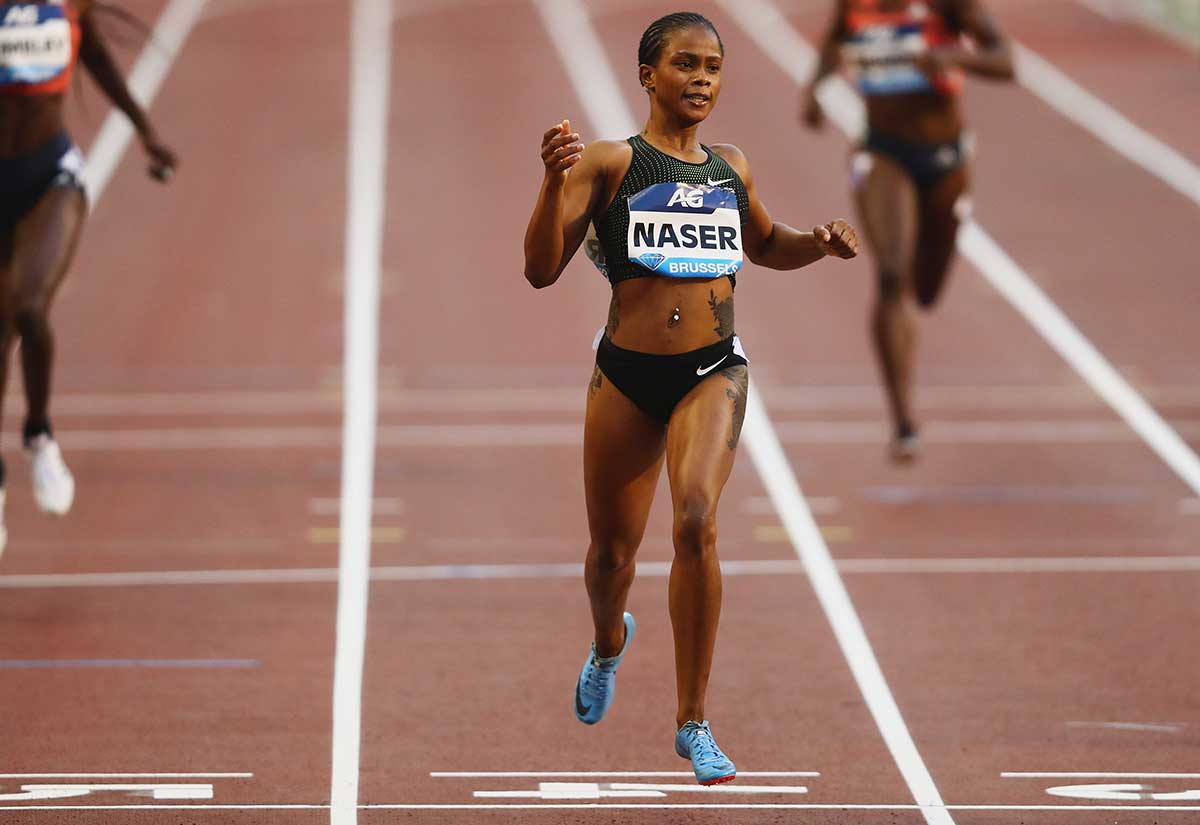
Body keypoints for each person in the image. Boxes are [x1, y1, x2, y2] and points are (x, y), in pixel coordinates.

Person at [524, 11, 858, 785]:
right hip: (627, 377)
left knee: (698, 518)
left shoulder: (730, 167)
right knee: (611, 555)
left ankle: (693, 721)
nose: (702, 78)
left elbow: (765, 243)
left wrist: (819, 243)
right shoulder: (609, 163)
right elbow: (541, 268)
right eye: (685, 64)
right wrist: (549, 180)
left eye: (713, 65)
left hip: (713, 369)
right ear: (648, 74)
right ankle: (609, 640)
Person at [0, 0, 176, 555]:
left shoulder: (68, 6)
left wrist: (147, 134)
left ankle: (39, 435)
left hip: (48, 178)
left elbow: (99, 63)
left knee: (30, 305)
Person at [802, 0, 1013, 461]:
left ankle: (926, 263)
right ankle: (903, 422)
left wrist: (955, 57)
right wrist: (814, 87)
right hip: (882, 150)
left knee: (927, 290)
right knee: (892, 273)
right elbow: (836, 37)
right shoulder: (854, 5)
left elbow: (1006, 61)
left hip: (945, 158)